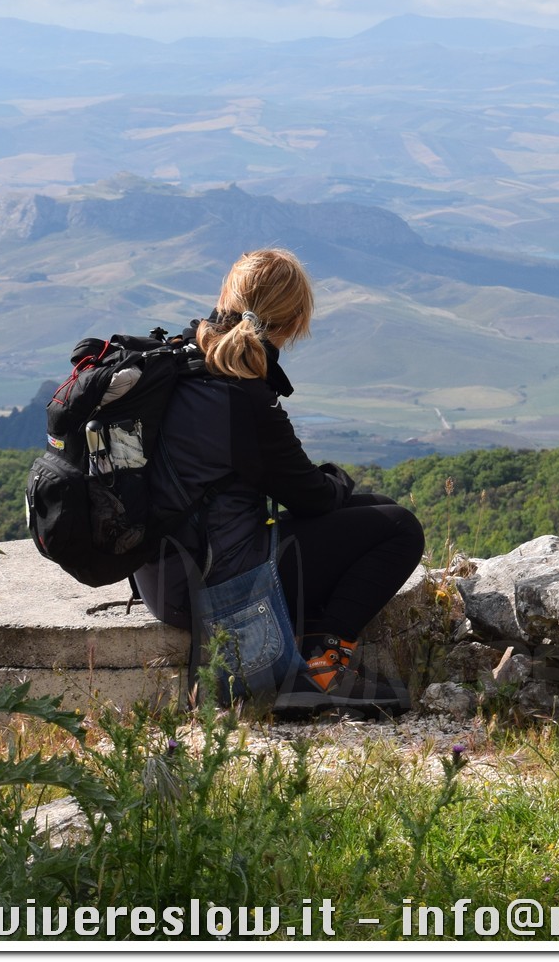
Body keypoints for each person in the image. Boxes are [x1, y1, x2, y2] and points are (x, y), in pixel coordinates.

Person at [133, 247, 423, 715]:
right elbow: (310, 497)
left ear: (226, 298)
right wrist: (338, 483)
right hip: (214, 586)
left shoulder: (176, 365)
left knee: (372, 508)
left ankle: (302, 661)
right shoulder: (242, 396)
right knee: (399, 528)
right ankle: (323, 668)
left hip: (163, 577)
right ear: (291, 322)